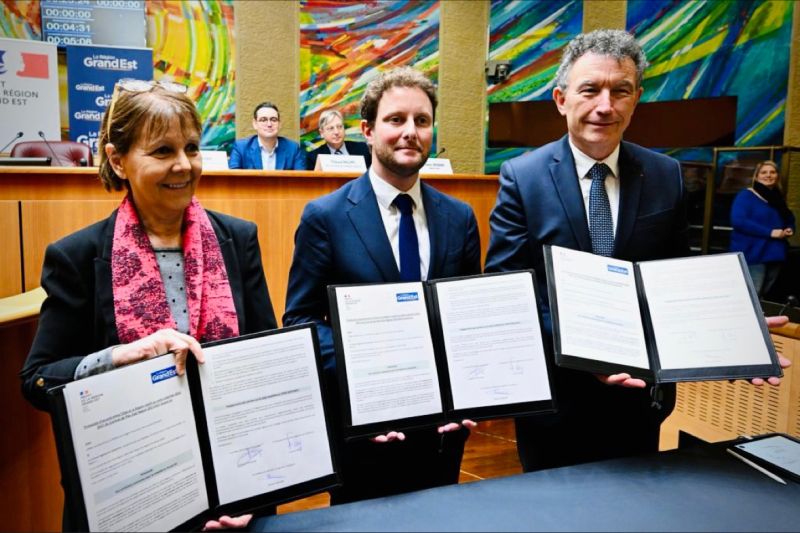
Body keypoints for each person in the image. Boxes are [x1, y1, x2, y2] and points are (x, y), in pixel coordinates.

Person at [484, 29, 788, 473]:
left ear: (636, 99)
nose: (605, 105)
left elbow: (675, 279)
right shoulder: (522, 177)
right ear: (561, 99)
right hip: (556, 402)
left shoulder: (666, 175)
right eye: (590, 89)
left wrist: (729, 333)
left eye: (620, 91)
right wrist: (588, 349)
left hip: (641, 400)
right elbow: (507, 288)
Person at [19, 79, 277, 530]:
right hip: (130, 500)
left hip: (237, 490)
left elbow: (265, 363)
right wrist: (120, 358)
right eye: (162, 151)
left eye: (192, 148)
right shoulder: (77, 256)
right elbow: (37, 380)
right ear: (118, 160)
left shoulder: (238, 239)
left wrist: (255, 486)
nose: (184, 165)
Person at [283, 67, 480, 504]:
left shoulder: (460, 217)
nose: (410, 132)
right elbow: (301, 320)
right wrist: (368, 388)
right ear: (368, 131)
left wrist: (471, 395)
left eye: (422, 121)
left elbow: (467, 319)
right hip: (366, 432)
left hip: (442, 431)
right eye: (396, 120)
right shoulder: (327, 217)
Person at [729, 160, 795, 296]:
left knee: (763, 297)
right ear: (757, 176)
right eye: (764, 172)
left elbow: (789, 218)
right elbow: (739, 221)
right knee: (751, 296)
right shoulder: (746, 196)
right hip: (753, 254)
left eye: (772, 172)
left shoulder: (777, 198)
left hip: (774, 254)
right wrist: (770, 232)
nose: (768, 175)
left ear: (777, 176)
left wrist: (790, 228)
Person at [229, 102, 307, 170]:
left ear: (279, 124)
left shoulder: (293, 148)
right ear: (255, 124)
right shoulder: (241, 147)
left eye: (273, 120)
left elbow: (301, 180)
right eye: (263, 120)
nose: (269, 124)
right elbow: (233, 180)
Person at [306, 108, 372, 169]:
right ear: (322, 133)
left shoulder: (363, 149)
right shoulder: (313, 157)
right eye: (331, 128)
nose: (336, 132)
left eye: (339, 127)